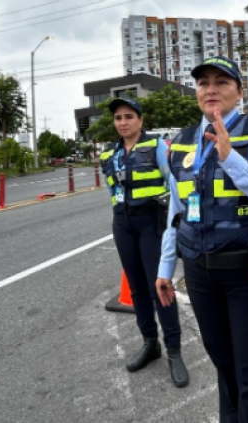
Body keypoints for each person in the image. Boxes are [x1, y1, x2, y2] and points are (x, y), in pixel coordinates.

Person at [155, 56, 248, 423]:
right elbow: (177, 209)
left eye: (222, 82)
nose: (211, 89)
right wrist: (166, 267)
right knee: (224, 366)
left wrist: (231, 157)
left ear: (239, 91)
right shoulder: (181, 143)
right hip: (200, 276)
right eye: (203, 83)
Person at [99, 97, 189, 387]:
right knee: (136, 287)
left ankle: (174, 350)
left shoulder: (158, 147)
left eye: (128, 116)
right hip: (122, 223)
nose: (123, 122)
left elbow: (173, 183)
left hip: (152, 222)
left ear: (140, 119)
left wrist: (176, 222)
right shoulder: (109, 154)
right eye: (118, 118)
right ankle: (150, 343)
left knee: (159, 285)